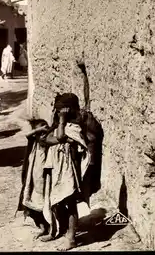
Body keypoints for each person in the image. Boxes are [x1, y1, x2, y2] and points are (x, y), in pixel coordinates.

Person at [37, 93, 97, 251]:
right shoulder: (59, 126)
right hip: (56, 168)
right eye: (57, 111)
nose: (57, 114)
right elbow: (47, 140)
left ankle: (71, 238)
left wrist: (62, 124)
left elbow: (61, 136)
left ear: (68, 110)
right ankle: (58, 229)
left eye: (60, 111)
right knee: (55, 201)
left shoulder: (75, 127)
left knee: (70, 202)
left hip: (69, 170)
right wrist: (58, 135)